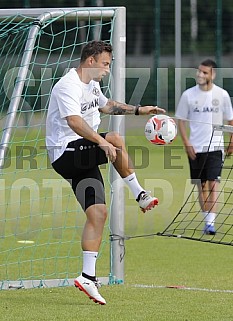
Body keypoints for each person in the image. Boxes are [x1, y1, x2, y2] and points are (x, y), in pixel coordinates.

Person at [46, 40, 165, 305]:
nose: (107, 70)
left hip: (82, 155)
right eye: (105, 64)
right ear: (90, 60)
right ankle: (140, 194)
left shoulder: (92, 84)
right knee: (115, 138)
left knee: (98, 213)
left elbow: (106, 105)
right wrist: (102, 141)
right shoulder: (68, 85)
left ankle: (87, 276)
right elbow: (74, 121)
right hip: (65, 153)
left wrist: (138, 109)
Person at [175, 59, 233, 236]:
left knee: (213, 184)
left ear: (212, 74)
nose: (200, 75)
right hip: (196, 148)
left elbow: (230, 120)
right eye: (199, 71)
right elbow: (181, 121)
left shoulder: (221, 95)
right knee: (202, 186)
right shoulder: (188, 95)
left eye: (204, 72)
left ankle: (210, 223)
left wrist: (231, 143)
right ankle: (205, 217)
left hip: (216, 147)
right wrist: (187, 144)